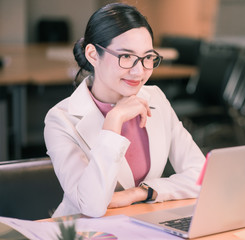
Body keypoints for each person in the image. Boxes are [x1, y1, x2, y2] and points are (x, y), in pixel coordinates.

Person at [44, 3, 205, 218]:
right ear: (93, 55)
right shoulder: (60, 119)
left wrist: (140, 192)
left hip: (141, 221)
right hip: (84, 230)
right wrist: (114, 120)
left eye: (147, 57)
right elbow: (91, 205)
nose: (139, 71)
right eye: (126, 57)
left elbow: (202, 176)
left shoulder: (155, 97)